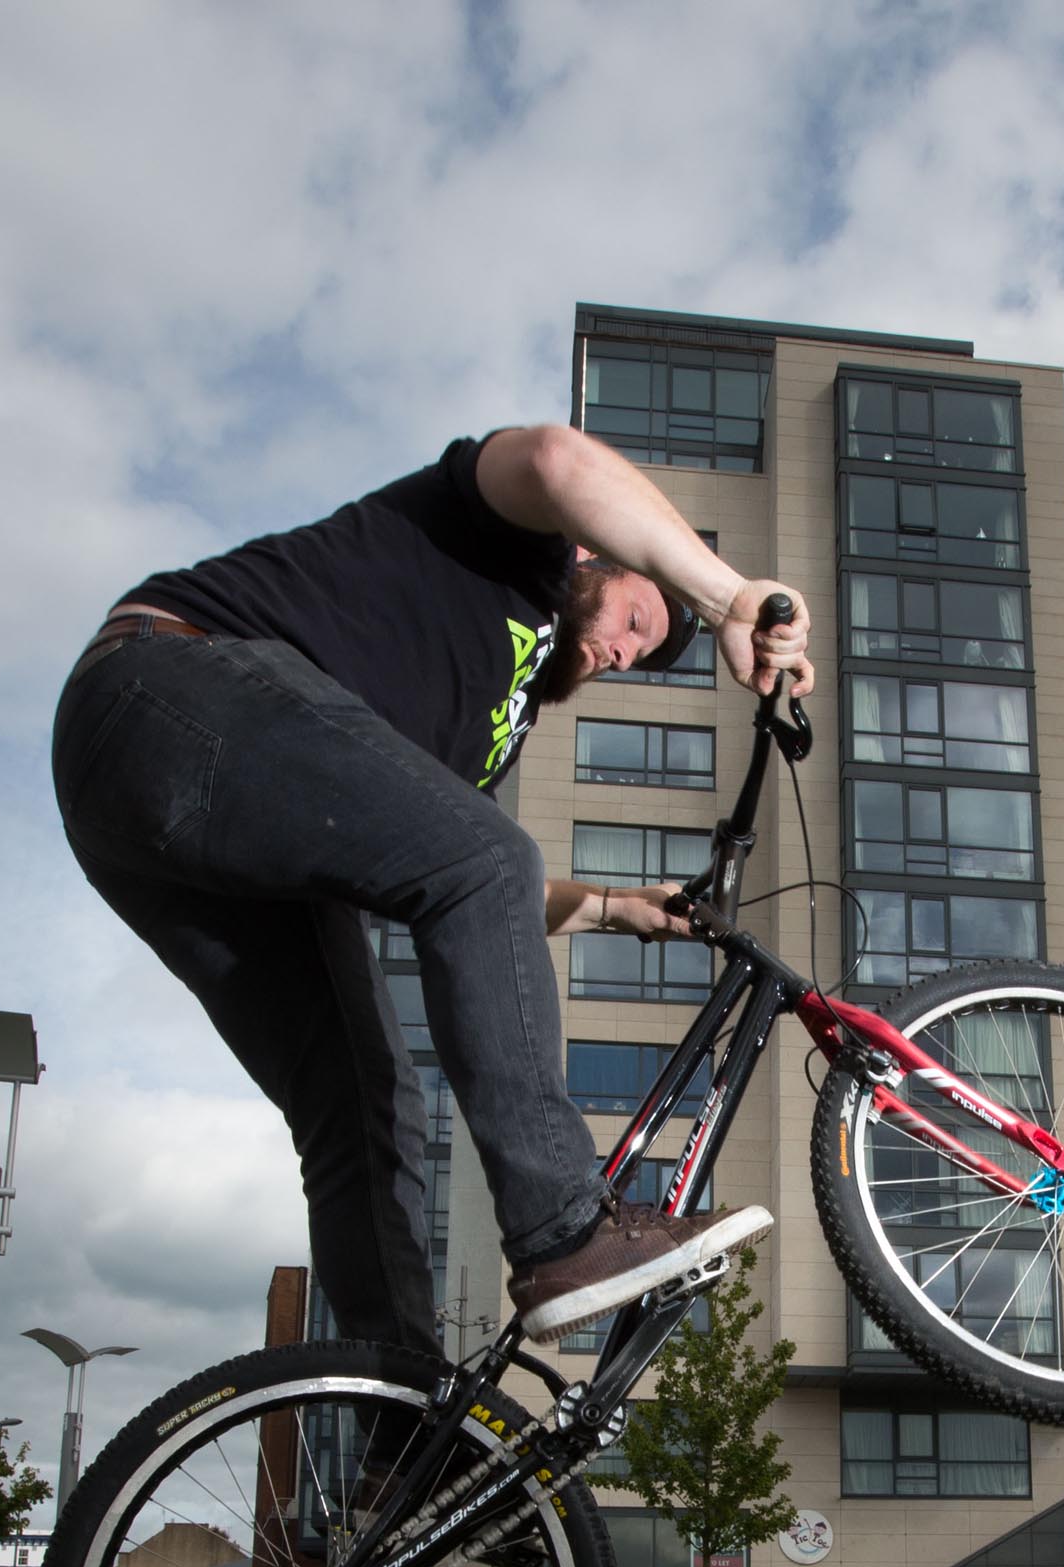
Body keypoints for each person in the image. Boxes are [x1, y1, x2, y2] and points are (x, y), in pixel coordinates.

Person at [50, 425, 814, 1370]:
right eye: (633, 622)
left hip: (163, 822)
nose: (623, 654)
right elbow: (558, 461)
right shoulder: (517, 542)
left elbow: (473, 891)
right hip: (166, 688)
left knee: (366, 1107)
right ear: (595, 555)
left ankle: (395, 1412)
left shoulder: (483, 738)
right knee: (488, 856)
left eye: (640, 654)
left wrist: (615, 907)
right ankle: (565, 1229)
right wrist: (727, 594)